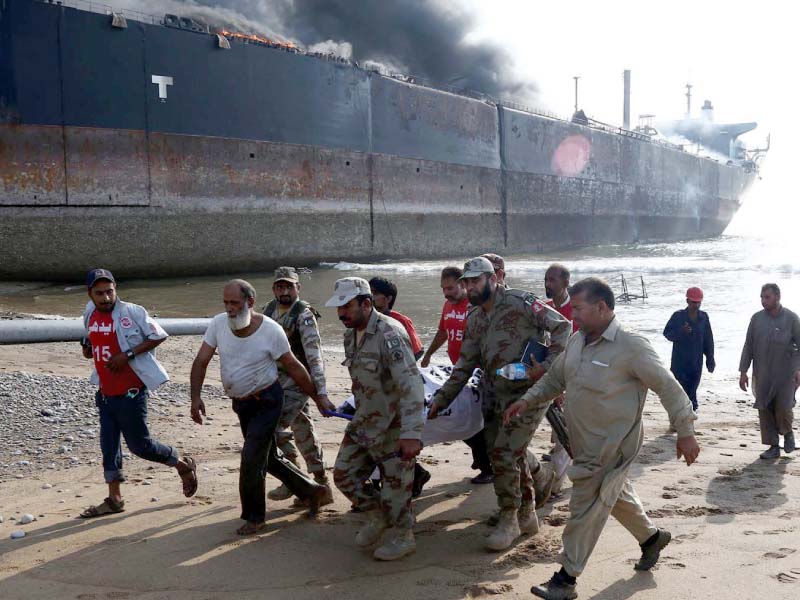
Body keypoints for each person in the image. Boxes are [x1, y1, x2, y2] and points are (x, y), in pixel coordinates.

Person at [505, 277, 699, 600]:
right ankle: (652, 539)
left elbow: (668, 386)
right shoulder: (577, 342)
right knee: (614, 495)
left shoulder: (631, 346)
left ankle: (565, 580)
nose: (573, 316)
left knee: (586, 505)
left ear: (601, 307)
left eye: (578, 309)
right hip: (583, 443)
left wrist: (686, 431)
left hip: (615, 446)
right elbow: (554, 380)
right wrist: (527, 400)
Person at [429, 257, 571, 552]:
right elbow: (464, 365)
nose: (469, 287)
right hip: (494, 394)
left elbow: (563, 327)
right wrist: (441, 400)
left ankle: (509, 518)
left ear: (493, 278)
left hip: (530, 392)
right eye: (466, 282)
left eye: (475, 281)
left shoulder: (522, 302)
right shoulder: (475, 318)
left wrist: (546, 367)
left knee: (504, 453)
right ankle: (527, 513)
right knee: (504, 455)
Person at [190, 279, 333, 535]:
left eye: (235, 303)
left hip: (268, 401)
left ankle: (255, 517)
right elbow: (201, 361)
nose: (230, 308)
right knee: (268, 458)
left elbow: (295, 367)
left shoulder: (270, 330)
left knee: (251, 458)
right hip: (242, 404)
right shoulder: (218, 324)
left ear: (250, 302)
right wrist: (195, 398)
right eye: (226, 303)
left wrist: (318, 396)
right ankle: (313, 491)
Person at [79, 268, 198, 518]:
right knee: (109, 447)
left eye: (109, 292)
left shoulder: (132, 312)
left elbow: (158, 335)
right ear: (90, 294)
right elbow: (91, 343)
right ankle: (115, 498)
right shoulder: (89, 313)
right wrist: (89, 348)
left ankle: (182, 463)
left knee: (140, 446)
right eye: (99, 293)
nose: (105, 298)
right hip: (105, 393)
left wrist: (128, 355)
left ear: (115, 290)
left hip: (131, 393)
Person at [326, 277, 425, 561]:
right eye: (339, 308)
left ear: (367, 303)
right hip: (365, 421)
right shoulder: (350, 334)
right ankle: (376, 515)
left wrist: (411, 433)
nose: (341, 313)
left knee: (397, 489)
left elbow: (411, 385)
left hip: (393, 427)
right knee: (344, 475)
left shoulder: (390, 334)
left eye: (347, 306)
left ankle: (404, 537)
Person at [263, 267, 332, 506]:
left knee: (273, 429)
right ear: (274, 288)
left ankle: (293, 479)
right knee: (303, 430)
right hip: (276, 382)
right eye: (279, 286)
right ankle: (321, 484)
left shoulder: (304, 315)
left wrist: (320, 393)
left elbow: (315, 356)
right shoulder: (269, 310)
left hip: (298, 383)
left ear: (298, 288)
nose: (284, 291)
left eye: (288, 286)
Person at [421, 265, 494, 485]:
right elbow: (443, 331)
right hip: (455, 372)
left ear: (463, 284)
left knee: (470, 421)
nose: (446, 293)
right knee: (462, 419)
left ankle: (487, 465)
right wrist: (429, 355)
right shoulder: (448, 305)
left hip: (475, 374)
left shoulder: (476, 307)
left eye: (450, 288)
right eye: (443, 288)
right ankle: (483, 461)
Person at [739, 283, 800, 459]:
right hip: (762, 373)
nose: (763, 301)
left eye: (767, 297)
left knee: (784, 408)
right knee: (764, 408)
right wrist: (743, 371)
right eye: (761, 297)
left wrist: (798, 369)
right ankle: (773, 446)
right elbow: (748, 345)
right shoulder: (756, 319)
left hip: (786, 374)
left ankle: (788, 434)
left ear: (777, 297)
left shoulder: (791, 319)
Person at [663, 286, 715, 411]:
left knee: (692, 392)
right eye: (693, 302)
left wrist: (710, 359)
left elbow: (708, 339)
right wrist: (681, 331)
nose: (696, 305)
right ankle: (677, 422)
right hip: (679, 363)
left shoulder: (704, 317)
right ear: (687, 301)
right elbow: (667, 334)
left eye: (698, 302)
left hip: (696, 363)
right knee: (679, 393)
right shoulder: (678, 316)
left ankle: (688, 421)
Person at [368, 276, 424, 360]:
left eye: (375, 293)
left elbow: (417, 351)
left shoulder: (401, 321)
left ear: (388, 299)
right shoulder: (364, 319)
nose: (370, 297)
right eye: (369, 293)